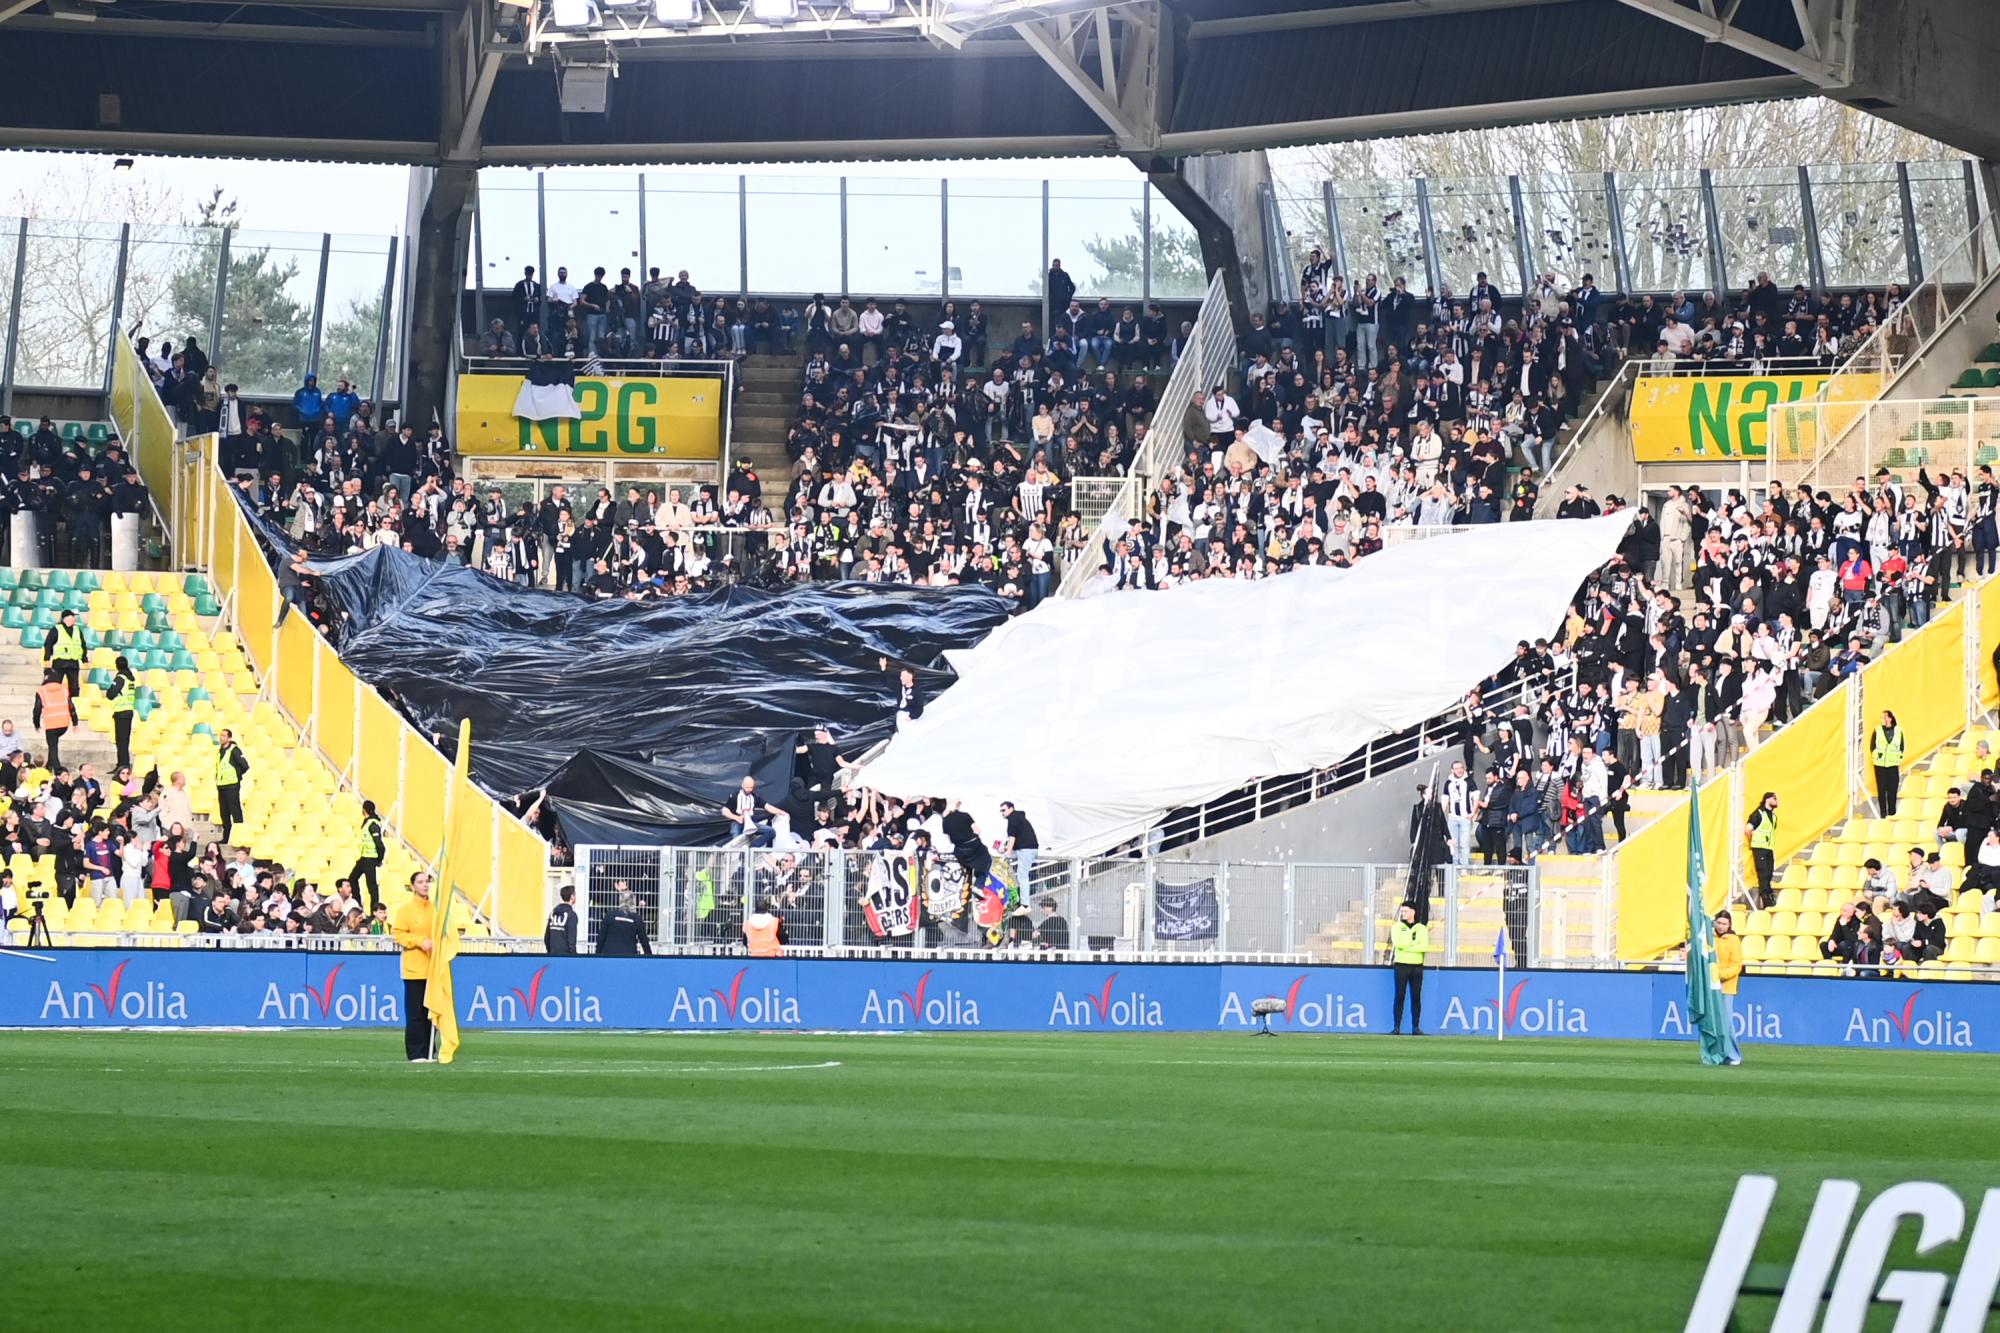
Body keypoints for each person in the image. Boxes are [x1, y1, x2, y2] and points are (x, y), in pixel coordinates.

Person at [389, 871, 436, 1062]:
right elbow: (398, 934)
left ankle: (430, 1050)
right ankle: (416, 1052)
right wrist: (419, 941)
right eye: (420, 882)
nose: (425, 885)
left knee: (431, 1012)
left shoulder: (435, 909)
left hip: (433, 969)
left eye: (427, 881)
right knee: (415, 1013)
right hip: (414, 970)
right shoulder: (406, 910)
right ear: (413, 886)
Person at [1389, 901, 1430, 1036]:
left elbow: (1423, 946)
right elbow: (1398, 943)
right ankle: (1396, 1027)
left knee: (1416, 997)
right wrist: (1413, 944)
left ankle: (1416, 1027)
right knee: (1399, 996)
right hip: (1401, 965)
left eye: (1405, 911)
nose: (1403, 913)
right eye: (1402, 911)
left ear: (1413, 912)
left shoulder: (1421, 928)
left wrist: (1407, 947)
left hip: (1417, 966)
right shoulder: (1396, 927)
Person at [31, 668, 71, 771]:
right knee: (53, 744)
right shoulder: (63, 688)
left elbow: (37, 709)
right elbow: (71, 705)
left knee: (53, 747)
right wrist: (75, 721)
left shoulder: (42, 690)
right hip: (64, 722)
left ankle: (58, 771)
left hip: (51, 723)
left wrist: (36, 724)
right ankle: (49, 766)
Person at [595, 883, 652, 956]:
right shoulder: (636, 919)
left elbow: (601, 937)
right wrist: (649, 956)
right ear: (633, 902)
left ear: (620, 900)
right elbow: (644, 940)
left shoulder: (610, 915)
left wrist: (597, 954)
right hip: (629, 955)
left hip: (609, 954)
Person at [214, 728, 249, 844]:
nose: (221, 737)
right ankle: (226, 837)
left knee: (235, 812)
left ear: (229, 738)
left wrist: (237, 775)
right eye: (220, 735)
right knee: (224, 813)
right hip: (221, 786)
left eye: (224, 736)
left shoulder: (234, 750)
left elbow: (245, 765)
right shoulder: (220, 751)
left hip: (232, 786)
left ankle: (239, 837)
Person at [42, 608, 86, 701]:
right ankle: (53, 702)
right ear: (66, 618)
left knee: (74, 687)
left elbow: (82, 645)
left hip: (73, 663)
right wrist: (47, 658)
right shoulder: (56, 629)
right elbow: (48, 644)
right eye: (73, 616)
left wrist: (84, 659)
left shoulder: (77, 630)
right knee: (55, 685)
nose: (75, 618)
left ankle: (73, 705)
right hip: (59, 663)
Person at [1745, 791, 1778, 909]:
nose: (1777, 801)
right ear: (1768, 799)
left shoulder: (1773, 816)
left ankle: (1769, 895)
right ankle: (1766, 899)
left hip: (1768, 848)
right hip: (1760, 848)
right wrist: (1752, 841)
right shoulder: (1758, 814)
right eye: (1775, 798)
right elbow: (1748, 829)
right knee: (1763, 874)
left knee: (1769, 872)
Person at [350, 799, 385, 911]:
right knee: (352, 879)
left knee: (372, 886)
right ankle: (357, 903)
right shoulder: (367, 822)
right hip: (364, 858)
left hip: (370, 859)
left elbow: (379, 844)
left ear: (364, 810)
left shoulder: (373, 824)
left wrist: (379, 859)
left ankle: (374, 911)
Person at [1870, 708, 1906, 816]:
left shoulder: (1898, 730)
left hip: (1893, 764)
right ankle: (1883, 814)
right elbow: (1872, 746)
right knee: (1881, 790)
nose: (1882, 719)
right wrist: (1876, 755)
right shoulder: (1877, 730)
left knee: (1892, 790)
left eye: (1884, 717)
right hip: (1880, 764)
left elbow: (1901, 746)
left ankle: (1892, 813)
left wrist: (1898, 757)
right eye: (1881, 717)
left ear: (1890, 718)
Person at [997, 800, 1039, 892]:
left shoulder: (1013, 819)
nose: (1002, 813)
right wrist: (1007, 849)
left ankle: (1025, 900)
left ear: (1011, 808)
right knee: (1023, 877)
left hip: (1026, 850)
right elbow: (1016, 838)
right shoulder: (1018, 818)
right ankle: (1024, 898)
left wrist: (1008, 851)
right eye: (1001, 811)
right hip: (1028, 849)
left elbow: (1012, 837)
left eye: (1003, 810)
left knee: (1022, 877)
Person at [105, 653, 137, 770]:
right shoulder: (130, 678)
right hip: (129, 711)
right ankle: (123, 765)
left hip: (121, 712)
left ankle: (122, 766)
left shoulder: (120, 678)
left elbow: (110, 694)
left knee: (121, 741)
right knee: (125, 741)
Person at [1713, 911, 1742, 1000]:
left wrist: (1718, 975)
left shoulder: (1734, 940)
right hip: (1709, 985)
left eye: (1724, 924)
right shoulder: (1709, 937)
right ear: (1715, 923)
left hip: (1726, 987)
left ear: (1729, 925)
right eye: (1719, 923)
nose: (1721, 926)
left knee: (1726, 1009)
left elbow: (1736, 966)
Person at [544, 884, 579, 955]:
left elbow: (547, 937)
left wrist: (550, 952)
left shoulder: (553, 913)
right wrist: (573, 955)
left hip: (553, 954)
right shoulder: (571, 915)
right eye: (575, 895)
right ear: (572, 896)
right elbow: (571, 939)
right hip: (566, 956)